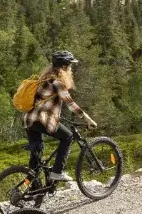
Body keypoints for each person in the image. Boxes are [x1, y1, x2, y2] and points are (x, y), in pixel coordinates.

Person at [22, 50, 97, 184]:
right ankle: (57, 172)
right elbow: (71, 104)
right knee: (67, 136)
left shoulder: (44, 78)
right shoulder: (57, 82)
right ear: (64, 66)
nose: (71, 68)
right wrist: (87, 118)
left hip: (29, 120)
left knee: (36, 156)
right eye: (70, 65)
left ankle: (30, 189)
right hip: (40, 119)